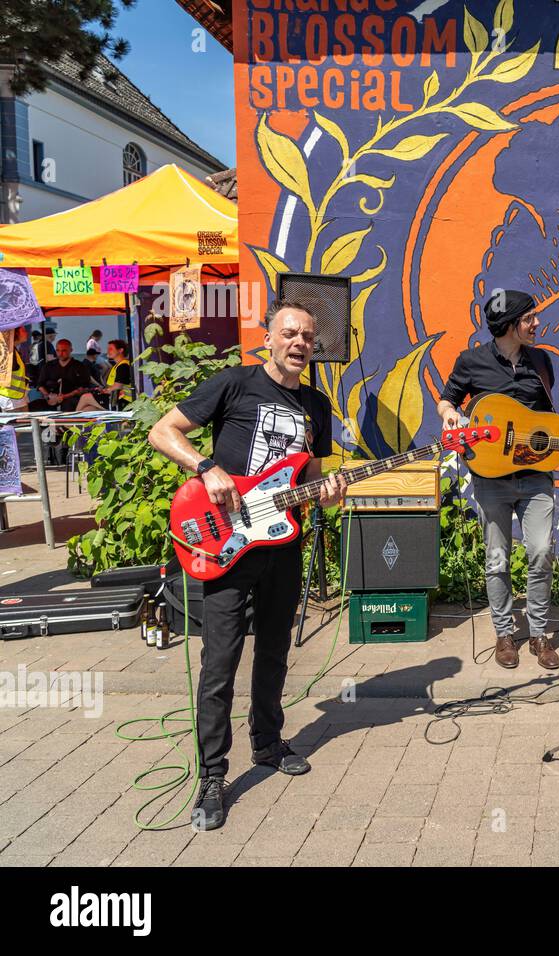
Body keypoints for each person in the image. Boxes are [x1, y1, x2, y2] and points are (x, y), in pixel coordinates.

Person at [148, 300, 347, 831]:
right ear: (270, 338)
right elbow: (163, 431)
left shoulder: (317, 405)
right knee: (220, 664)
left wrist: (328, 495)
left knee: (276, 651)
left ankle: (267, 742)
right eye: (289, 333)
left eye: (307, 335)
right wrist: (207, 466)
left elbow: (314, 481)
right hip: (226, 540)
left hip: (281, 542)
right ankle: (212, 776)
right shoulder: (235, 384)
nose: (300, 342)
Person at [436, 290, 559, 672]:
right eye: (530, 319)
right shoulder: (471, 361)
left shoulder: (541, 361)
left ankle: (541, 633)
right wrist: (450, 415)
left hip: (536, 476)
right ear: (511, 325)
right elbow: (448, 399)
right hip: (490, 476)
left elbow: (545, 419)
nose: (537, 324)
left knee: (542, 551)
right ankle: (504, 633)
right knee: (497, 558)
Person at [76, 340, 133, 411]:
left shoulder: (123, 366)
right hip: (115, 399)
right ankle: (78, 421)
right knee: (88, 409)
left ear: (120, 350)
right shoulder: (118, 365)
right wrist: (104, 390)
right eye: (107, 349)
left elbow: (117, 387)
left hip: (122, 402)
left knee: (85, 397)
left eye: (111, 349)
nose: (108, 351)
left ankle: (72, 421)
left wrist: (104, 391)